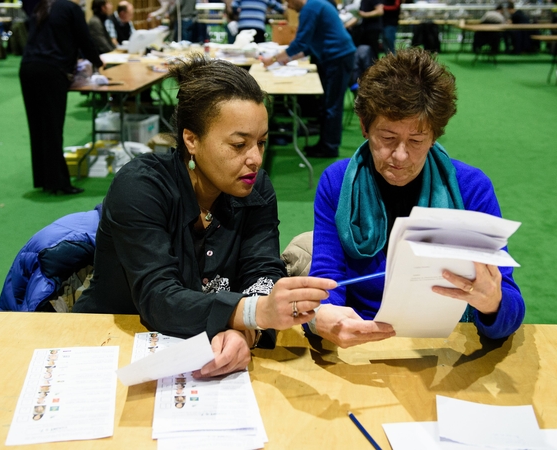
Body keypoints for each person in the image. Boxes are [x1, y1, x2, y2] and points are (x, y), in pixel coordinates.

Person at [72, 57, 335, 377]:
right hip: (109, 347)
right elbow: (159, 298)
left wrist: (244, 332)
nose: (255, 159)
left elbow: (262, 272)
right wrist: (253, 313)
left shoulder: (256, 188)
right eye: (239, 144)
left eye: (261, 142)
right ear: (191, 140)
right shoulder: (140, 188)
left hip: (204, 352)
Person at [308, 48, 525, 348]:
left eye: (416, 141)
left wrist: (493, 304)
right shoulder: (338, 182)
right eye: (386, 138)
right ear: (364, 127)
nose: (399, 156)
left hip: (447, 342)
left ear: (435, 136)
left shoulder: (471, 188)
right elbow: (327, 279)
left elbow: (510, 306)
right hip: (360, 336)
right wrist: (324, 316)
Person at [20, 0, 103, 195]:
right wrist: (98, 62)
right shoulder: (71, 9)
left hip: (28, 68)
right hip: (51, 71)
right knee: (52, 127)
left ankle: (44, 179)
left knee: (38, 127)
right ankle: (58, 182)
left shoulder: (41, 6)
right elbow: (84, 39)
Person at [262, 0, 356, 158]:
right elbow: (307, 45)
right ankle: (326, 143)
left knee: (332, 105)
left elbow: (301, 42)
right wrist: (283, 59)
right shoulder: (315, 5)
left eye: (288, 2)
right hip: (335, 57)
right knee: (328, 104)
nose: (288, 7)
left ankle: (329, 147)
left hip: (338, 57)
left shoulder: (310, 7)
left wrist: (273, 59)